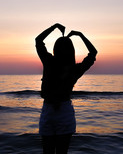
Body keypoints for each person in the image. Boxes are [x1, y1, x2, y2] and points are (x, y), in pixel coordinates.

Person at [35, 23, 97, 154]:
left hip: (62, 111)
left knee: (60, 152)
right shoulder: (50, 62)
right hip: (50, 111)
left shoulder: (70, 68)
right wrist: (78, 34)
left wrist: (56, 27)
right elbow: (38, 41)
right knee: (49, 151)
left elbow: (93, 53)